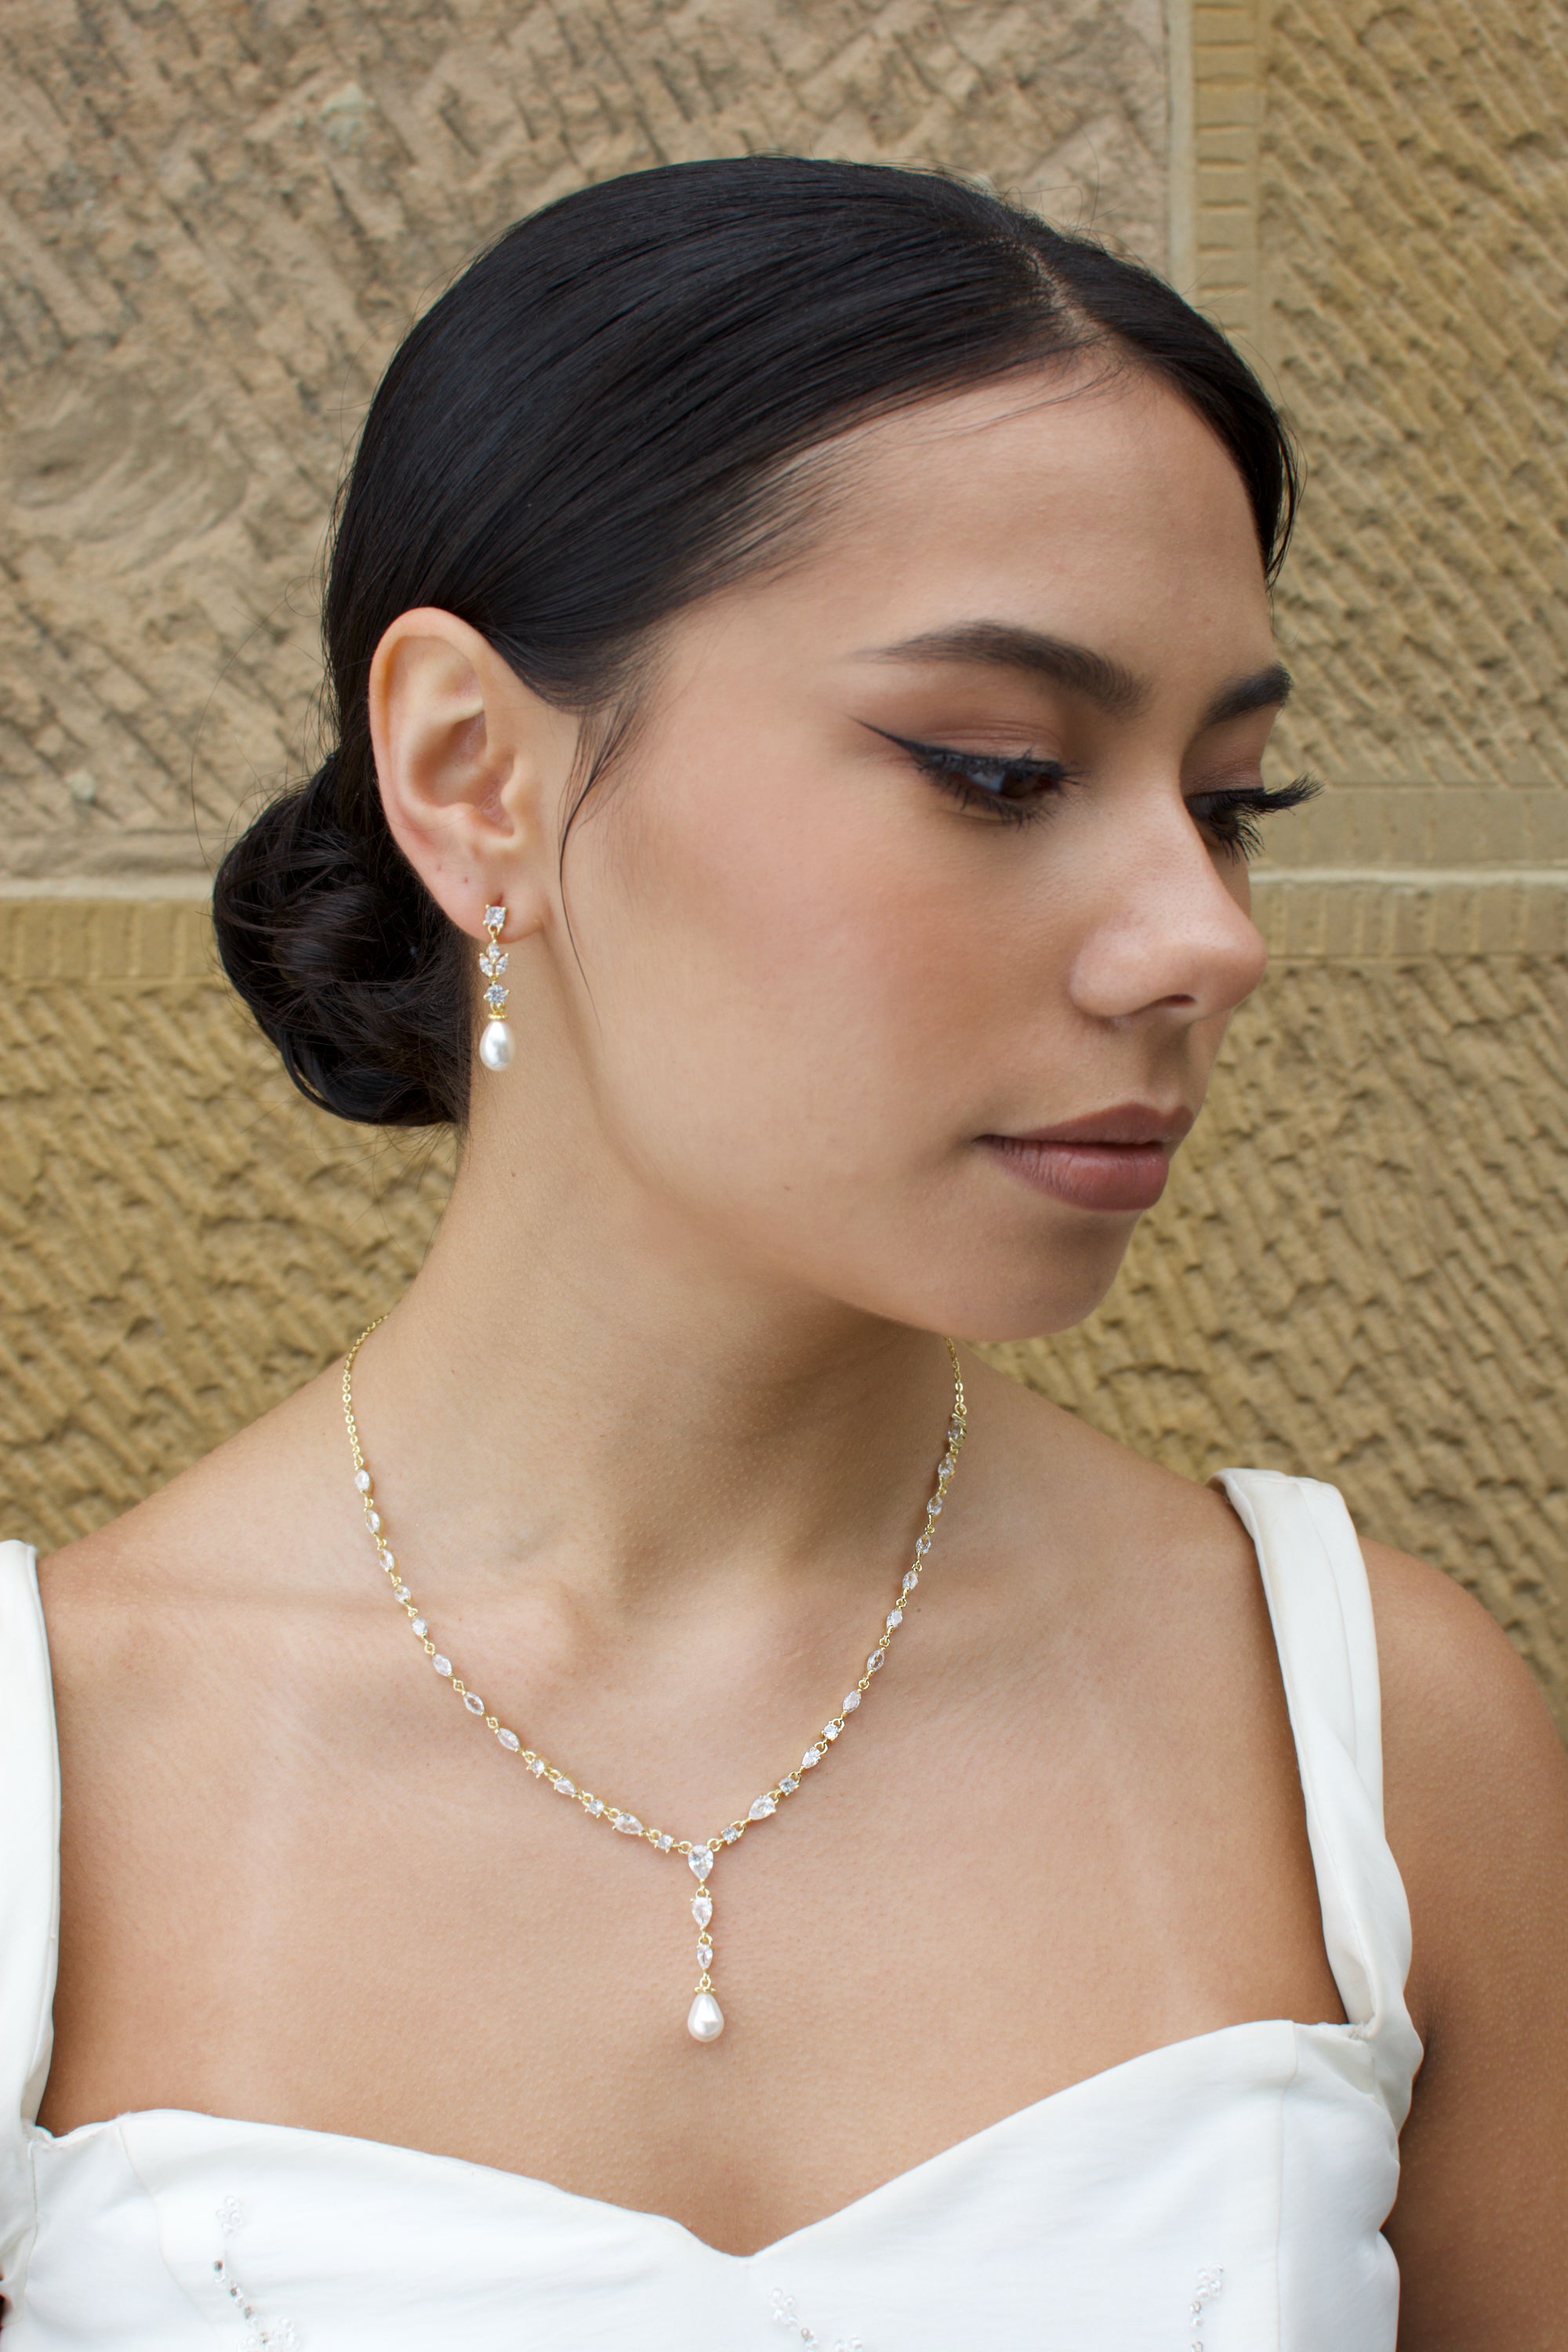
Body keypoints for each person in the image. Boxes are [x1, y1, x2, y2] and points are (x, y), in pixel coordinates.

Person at [2, 158, 1563, 2350]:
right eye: (1003, 771)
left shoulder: (1375, 1740)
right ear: (473, 779)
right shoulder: (50, 1772)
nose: (1208, 939)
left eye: (1227, 800)